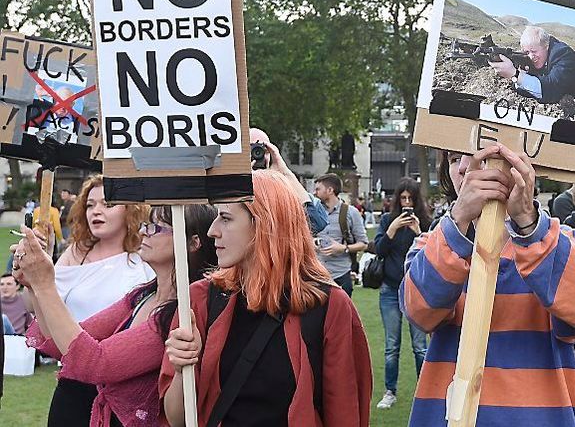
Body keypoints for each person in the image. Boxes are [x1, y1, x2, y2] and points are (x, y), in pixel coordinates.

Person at [402, 144, 575, 425]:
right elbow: (420, 312)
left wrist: (527, 221)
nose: (466, 166)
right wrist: (460, 220)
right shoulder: (432, 243)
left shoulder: (560, 239)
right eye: (454, 159)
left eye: (481, 154)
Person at [160, 170, 372, 426]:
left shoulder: (330, 306)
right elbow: (177, 419)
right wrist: (183, 367)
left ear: (265, 224)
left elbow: (345, 411)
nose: (212, 231)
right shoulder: (200, 299)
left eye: (225, 218)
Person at [15, 205, 217, 427]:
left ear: (193, 243)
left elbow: (97, 362)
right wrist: (34, 284)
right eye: (146, 225)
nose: (143, 233)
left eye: (156, 228)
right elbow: (61, 344)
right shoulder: (141, 296)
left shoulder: (181, 314)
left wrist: (44, 284)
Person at [45, 175, 154, 426]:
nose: (96, 211)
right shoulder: (75, 254)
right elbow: (44, 313)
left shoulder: (146, 257)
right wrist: (35, 276)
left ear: (130, 208)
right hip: (73, 384)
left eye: (106, 204)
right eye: (90, 204)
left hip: (123, 385)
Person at [373, 177, 431, 410]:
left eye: (411, 199)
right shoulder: (388, 220)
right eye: (403, 198)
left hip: (416, 289)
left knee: (420, 346)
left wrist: (419, 231)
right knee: (391, 345)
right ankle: (390, 391)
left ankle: (424, 390)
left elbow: (435, 253)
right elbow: (378, 250)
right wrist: (392, 229)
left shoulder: (425, 222)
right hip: (390, 289)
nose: (406, 203)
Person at [488, 25, 575, 103]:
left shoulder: (562, 53)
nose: (531, 56)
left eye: (534, 51)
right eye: (527, 52)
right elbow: (531, 90)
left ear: (546, 46)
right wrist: (520, 76)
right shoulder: (538, 57)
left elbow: (550, 91)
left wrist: (515, 74)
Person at [249, 127, 328, 234]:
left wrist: (285, 173)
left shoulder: (282, 193)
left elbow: (316, 223)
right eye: (250, 150)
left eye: (263, 150)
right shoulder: (228, 191)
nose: (256, 156)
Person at [312, 173, 368, 296]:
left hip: (341, 274)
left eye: (318, 189)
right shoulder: (313, 212)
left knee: (341, 315)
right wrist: (311, 243)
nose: (315, 193)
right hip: (317, 275)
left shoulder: (351, 212)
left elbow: (363, 244)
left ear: (330, 190)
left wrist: (343, 248)